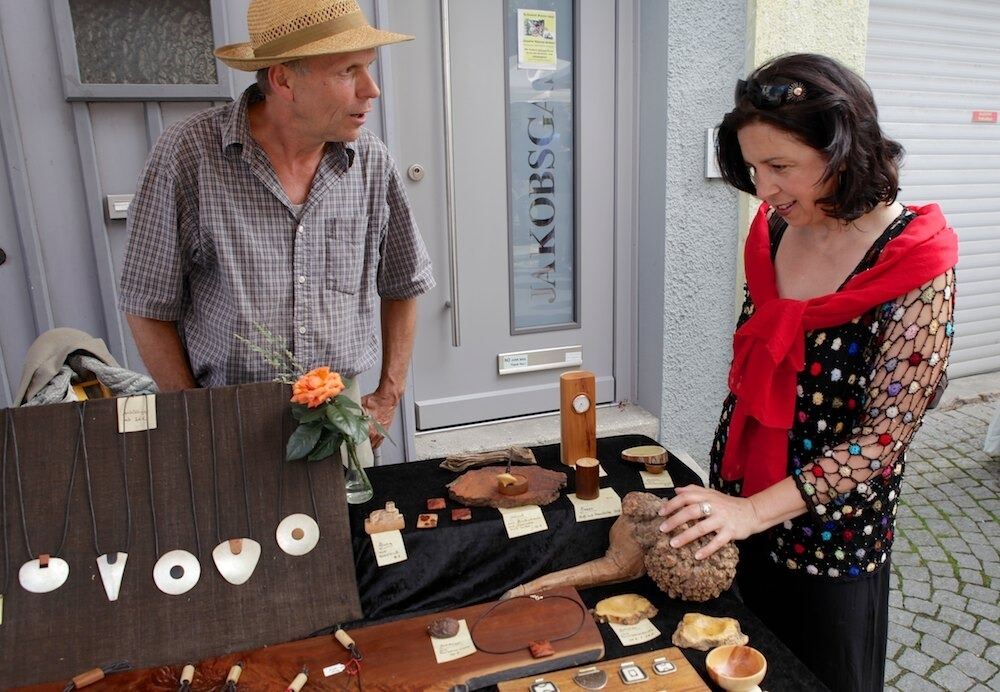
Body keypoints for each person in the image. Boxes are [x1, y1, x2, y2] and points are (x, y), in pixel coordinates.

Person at [657, 54, 958, 691]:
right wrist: (736, 508)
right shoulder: (772, 232)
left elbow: (882, 439)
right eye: (754, 167)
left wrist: (751, 512)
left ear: (843, 151)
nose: (762, 190)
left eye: (781, 167)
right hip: (739, 501)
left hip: (831, 540)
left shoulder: (916, 263)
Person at [119, 0, 434, 456]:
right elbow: (147, 303)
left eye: (368, 67)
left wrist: (388, 395)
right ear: (283, 79)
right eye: (349, 71)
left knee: (349, 527)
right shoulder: (189, 155)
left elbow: (405, 282)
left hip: (343, 413)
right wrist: (193, 418)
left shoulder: (370, 161)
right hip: (227, 416)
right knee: (239, 530)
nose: (372, 89)